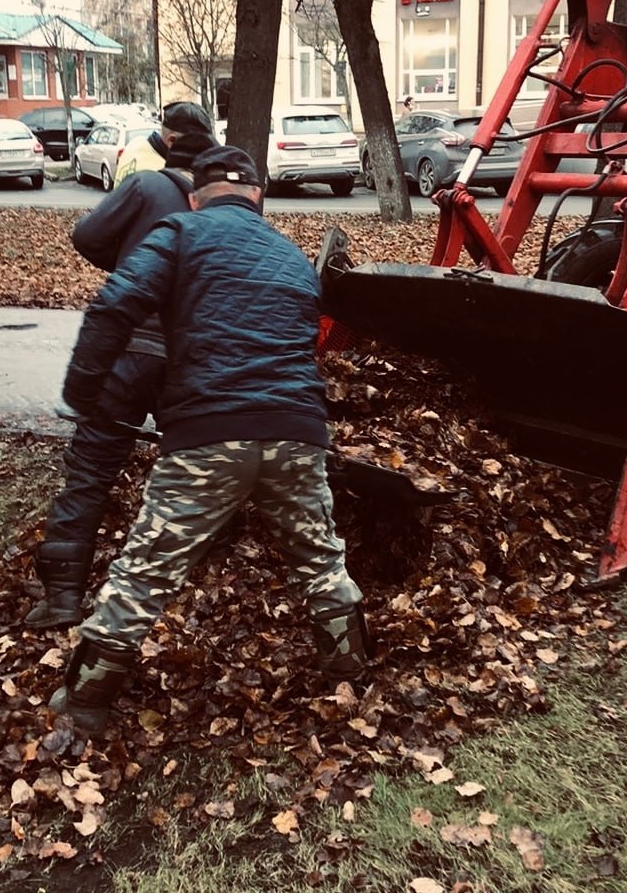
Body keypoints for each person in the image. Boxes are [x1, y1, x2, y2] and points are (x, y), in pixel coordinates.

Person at [47, 146, 369, 734]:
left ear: (195, 198)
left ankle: (86, 700)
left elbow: (114, 306)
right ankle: (349, 675)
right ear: (258, 196)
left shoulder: (179, 233)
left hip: (208, 436)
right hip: (297, 434)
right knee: (320, 559)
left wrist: (82, 392)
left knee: (145, 571)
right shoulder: (291, 256)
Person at [24, 127, 218, 629]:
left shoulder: (145, 186)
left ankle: (63, 596)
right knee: (194, 469)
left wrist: (130, 261)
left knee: (91, 468)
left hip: (128, 350)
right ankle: (194, 588)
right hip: (186, 357)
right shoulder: (221, 209)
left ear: (169, 152)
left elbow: (86, 236)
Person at [112, 99, 212, 187]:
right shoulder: (163, 176)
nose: (200, 153)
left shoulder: (136, 143)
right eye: (196, 146)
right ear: (171, 141)